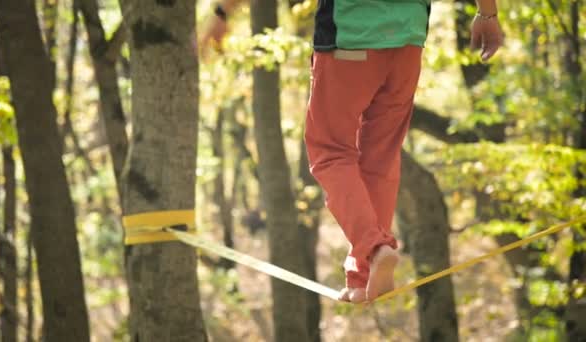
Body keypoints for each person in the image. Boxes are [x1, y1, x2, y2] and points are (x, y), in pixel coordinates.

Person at [202, 0, 503, 304]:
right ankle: (363, 277)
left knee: (329, 151)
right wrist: (487, 12)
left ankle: (374, 248)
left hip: (350, 34)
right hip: (408, 40)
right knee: (381, 158)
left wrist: (222, 13)